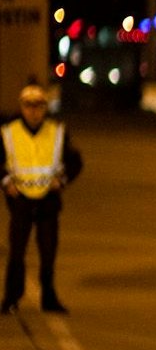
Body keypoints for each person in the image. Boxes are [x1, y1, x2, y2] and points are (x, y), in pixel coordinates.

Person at [3, 83, 83, 314]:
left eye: (38, 105)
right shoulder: (9, 133)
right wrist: (6, 182)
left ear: (45, 108)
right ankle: (11, 297)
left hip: (48, 200)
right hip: (21, 201)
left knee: (48, 253)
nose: (33, 111)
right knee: (17, 252)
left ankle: (49, 298)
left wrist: (63, 180)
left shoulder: (57, 132)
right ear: (21, 107)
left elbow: (75, 162)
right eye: (28, 105)